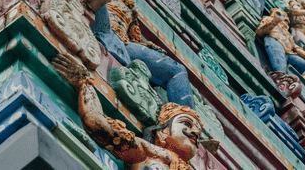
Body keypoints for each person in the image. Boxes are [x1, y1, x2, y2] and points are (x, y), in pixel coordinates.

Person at [53, 53, 204, 170]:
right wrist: (84, 82)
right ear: (162, 132)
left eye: (199, 130)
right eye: (187, 123)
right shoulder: (152, 152)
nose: (196, 132)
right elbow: (97, 124)